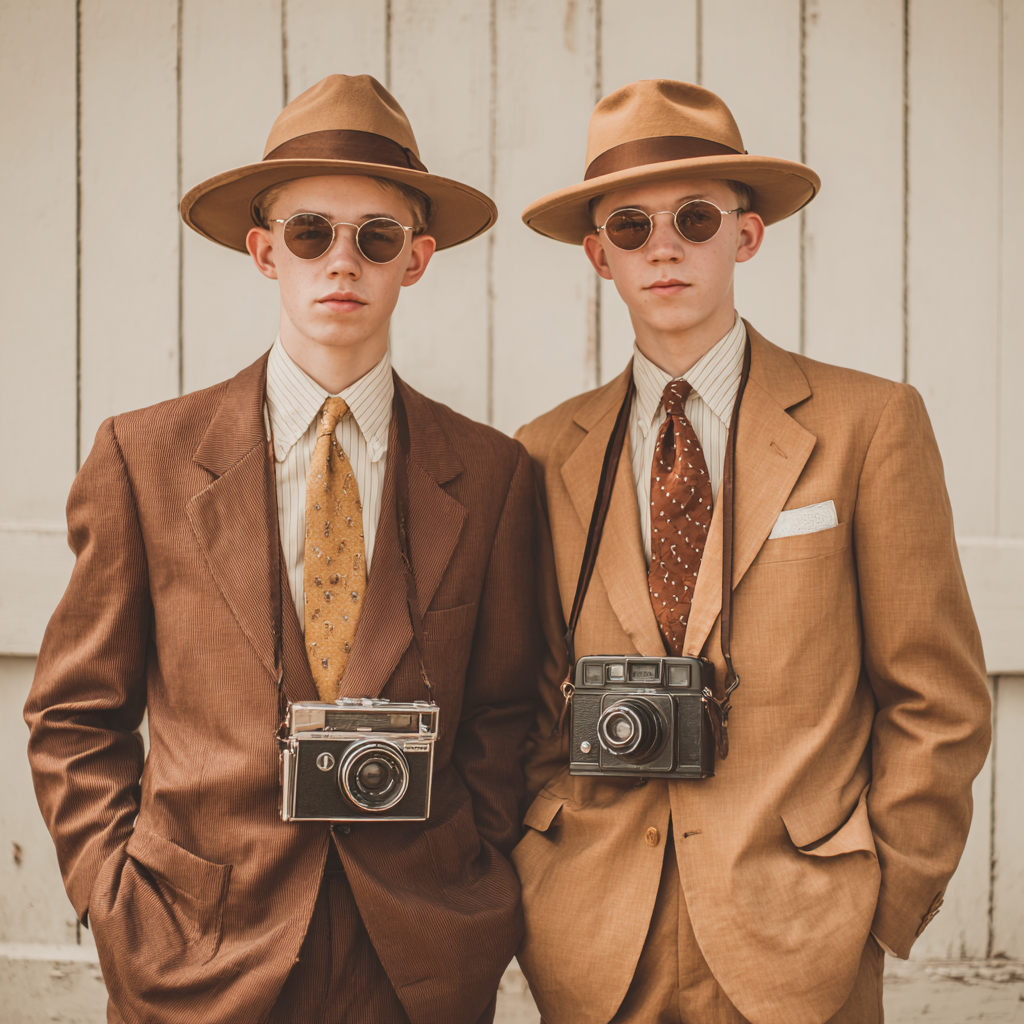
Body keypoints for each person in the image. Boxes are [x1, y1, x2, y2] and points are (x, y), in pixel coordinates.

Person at [25, 74, 539, 1024]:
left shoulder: (493, 473)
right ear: (265, 251)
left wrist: (474, 879)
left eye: (375, 237)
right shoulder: (144, 459)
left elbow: (507, 714)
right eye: (311, 232)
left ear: (415, 261)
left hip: (420, 958)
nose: (341, 261)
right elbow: (74, 712)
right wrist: (113, 898)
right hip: (194, 954)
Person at [511, 78, 991, 1024]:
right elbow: (523, 696)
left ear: (747, 233)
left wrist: (878, 901)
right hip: (594, 943)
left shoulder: (869, 425)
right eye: (632, 226)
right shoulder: (539, 451)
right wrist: (540, 883)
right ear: (597, 253)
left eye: (694, 217)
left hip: (803, 933)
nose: (666, 247)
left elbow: (936, 697)